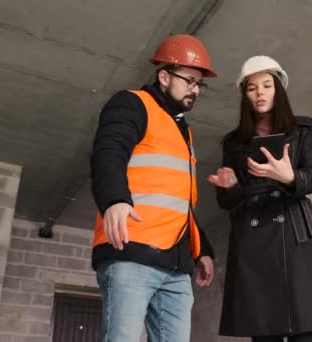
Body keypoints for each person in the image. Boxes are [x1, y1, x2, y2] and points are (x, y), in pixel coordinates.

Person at [208, 55, 312, 342]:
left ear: (279, 89)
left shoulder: (303, 129)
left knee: (305, 329)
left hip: (296, 237)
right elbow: (228, 203)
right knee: (264, 331)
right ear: (244, 95)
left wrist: (289, 177)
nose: (260, 93)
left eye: (267, 85)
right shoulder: (234, 142)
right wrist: (229, 186)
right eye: (252, 88)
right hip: (253, 238)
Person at [90, 34, 217, 342]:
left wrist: (202, 250)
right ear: (163, 76)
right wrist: (115, 199)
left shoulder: (183, 133)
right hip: (131, 253)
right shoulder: (133, 104)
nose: (195, 89)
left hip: (176, 268)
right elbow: (108, 151)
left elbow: (180, 201)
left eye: (200, 84)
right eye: (189, 80)